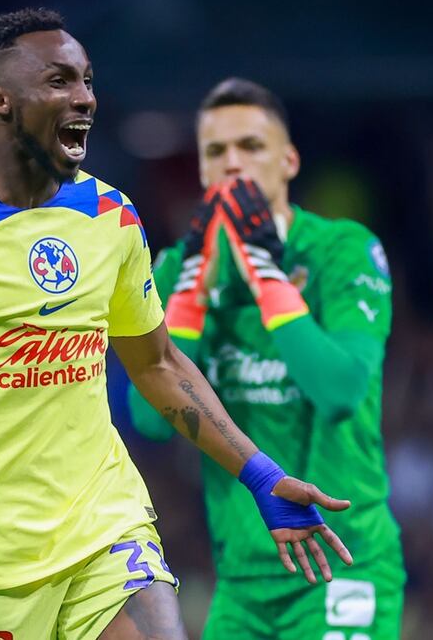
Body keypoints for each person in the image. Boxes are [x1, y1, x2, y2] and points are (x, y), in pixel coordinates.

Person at [0, 10, 353, 640]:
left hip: (104, 525)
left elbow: (156, 365)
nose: (84, 98)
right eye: (58, 81)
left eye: (86, 80)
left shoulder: (109, 215)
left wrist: (261, 475)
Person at [129, 78, 405, 639]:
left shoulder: (342, 250)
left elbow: (340, 392)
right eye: (216, 152)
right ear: (203, 171)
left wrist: (265, 274)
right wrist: (192, 295)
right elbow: (145, 419)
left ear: (289, 160)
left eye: (250, 146)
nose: (233, 163)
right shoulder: (178, 269)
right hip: (242, 581)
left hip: (342, 565)